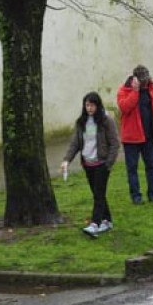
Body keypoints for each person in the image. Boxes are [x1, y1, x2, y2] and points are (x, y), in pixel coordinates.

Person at [61, 92, 121, 237]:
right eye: (87, 105)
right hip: (88, 164)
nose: (89, 108)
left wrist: (108, 163)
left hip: (101, 164)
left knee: (98, 195)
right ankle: (107, 220)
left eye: (92, 105)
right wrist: (66, 160)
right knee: (97, 193)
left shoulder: (106, 122)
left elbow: (115, 144)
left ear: (98, 105)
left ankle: (95, 224)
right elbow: (75, 143)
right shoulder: (81, 123)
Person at [117, 65, 153, 205]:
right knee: (132, 169)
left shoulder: (152, 91)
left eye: (146, 80)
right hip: (131, 139)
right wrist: (135, 92)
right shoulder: (124, 91)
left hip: (148, 136)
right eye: (142, 81)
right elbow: (124, 107)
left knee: (152, 166)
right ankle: (136, 197)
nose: (145, 83)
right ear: (135, 79)